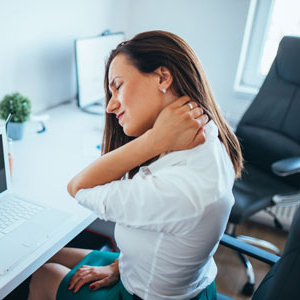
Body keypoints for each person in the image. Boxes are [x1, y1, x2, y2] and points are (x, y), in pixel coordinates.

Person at [28, 30, 243, 300]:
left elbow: (78, 187)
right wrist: (119, 265)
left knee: (43, 274)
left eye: (118, 86)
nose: (110, 106)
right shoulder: (208, 137)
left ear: (163, 78)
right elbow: (172, 238)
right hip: (171, 278)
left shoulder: (177, 187)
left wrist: (154, 139)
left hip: (146, 296)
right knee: (44, 254)